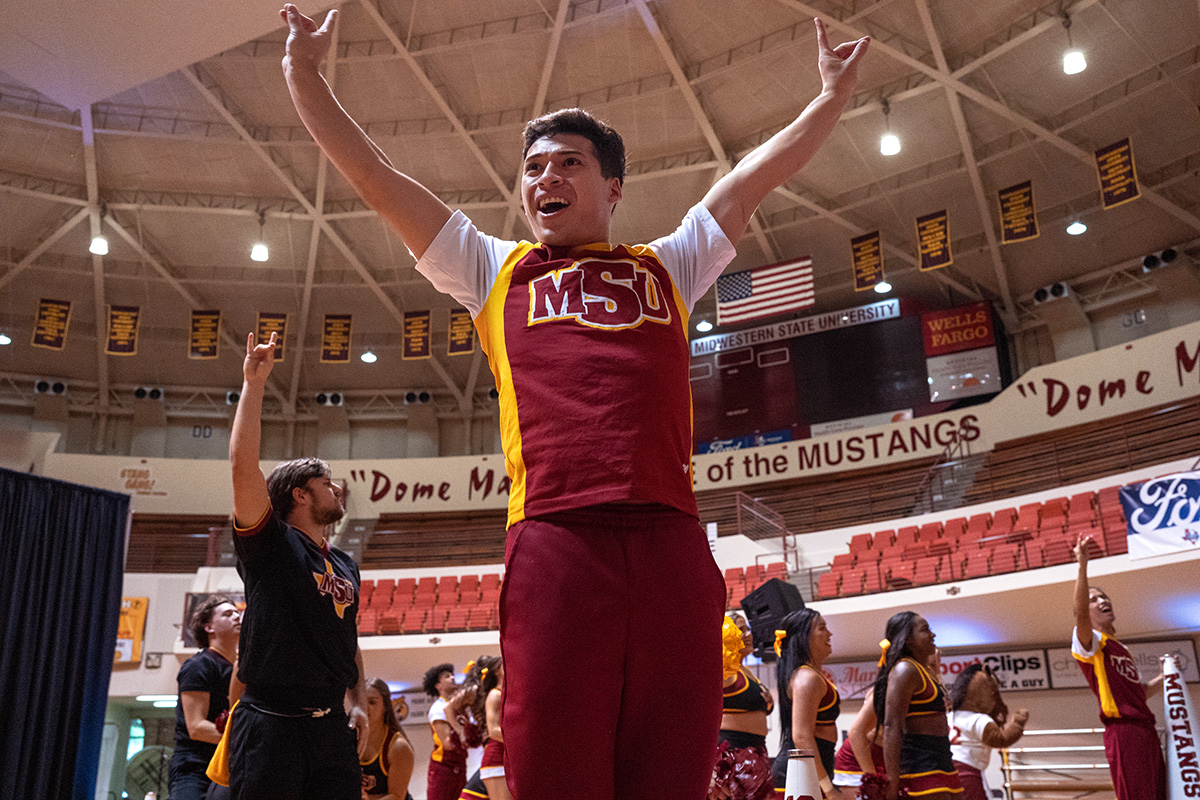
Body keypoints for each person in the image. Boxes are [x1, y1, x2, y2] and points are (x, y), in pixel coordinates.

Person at [279, 5, 867, 796]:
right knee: (557, 774)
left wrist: (829, 97)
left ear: (613, 185)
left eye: (567, 164)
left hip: (671, 541)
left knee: (669, 774)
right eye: (532, 169)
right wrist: (305, 75)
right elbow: (375, 177)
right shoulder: (493, 267)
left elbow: (756, 176)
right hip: (556, 539)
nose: (543, 179)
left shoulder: (672, 262)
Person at [228, 330, 369, 800]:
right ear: (300, 493)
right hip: (270, 726)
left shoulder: (345, 563)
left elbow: (347, 636)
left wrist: (359, 700)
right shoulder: (271, 543)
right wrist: (254, 385)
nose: (337, 490)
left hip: (331, 728)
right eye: (326, 483)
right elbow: (243, 468)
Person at [1072, 534, 1166, 800]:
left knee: (1158, 794)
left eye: (1104, 597)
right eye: (1093, 599)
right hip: (1123, 731)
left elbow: (1139, 693)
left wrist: (1167, 676)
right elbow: (1079, 613)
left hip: (1146, 729)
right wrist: (1082, 565)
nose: (1102, 600)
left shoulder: (1121, 647)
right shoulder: (1089, 642)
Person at [874, 612, 960, 800]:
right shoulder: (905, 670)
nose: (932, 635)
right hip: (919, 767)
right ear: (907, 640)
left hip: (942, 761)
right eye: (925, 630)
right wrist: (893, 781)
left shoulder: (924, 670)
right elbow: (891, 726)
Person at [168, 596, 241, 800]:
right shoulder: (198, 666)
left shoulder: (243, 669)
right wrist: (245, 739)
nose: (237, 616)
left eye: (237, 612)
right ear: (209, 627)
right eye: (228, 614)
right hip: (194, 767)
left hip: (229, 764)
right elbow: (197, 727)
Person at [771, 609, 842, 799]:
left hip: (811, 769)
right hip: (799, 773)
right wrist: (828, 788)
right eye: (822, 628)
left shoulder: (810, 675)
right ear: (803, 637)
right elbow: (801, 736)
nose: (829, 634)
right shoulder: (807, 677)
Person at [711, 614, 775, 800]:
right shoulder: (723, 670)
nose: (748, 634)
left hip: (757, 751)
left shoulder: (744, 671)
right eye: (741, 630)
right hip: (734, 754)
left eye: (748, 629)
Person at [946, 664, 1027, 800]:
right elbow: (1000, 740)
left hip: (945, 770)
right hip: (969, 771)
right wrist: (1017, 724)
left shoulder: (948, 716)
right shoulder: (980, 719)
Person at [457, 656, 507, 800]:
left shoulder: (508, 694)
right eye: (503, 664)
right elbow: (494, 731)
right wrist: (463, 729)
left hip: (506, 756)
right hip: (496, 756)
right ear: (496, 672)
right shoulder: (494, 695)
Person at [361, 677, 415, 800]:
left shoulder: (398, 746)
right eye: (362, 703)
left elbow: (396, 796)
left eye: (372, 702)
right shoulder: (349, 740)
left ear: (385, 706)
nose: (366, 708)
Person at [424, 662, 469, 800]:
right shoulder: (438, 708)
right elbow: (448, 743)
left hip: (460, 764)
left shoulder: (459, 707)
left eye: (452, 674)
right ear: (438, 686)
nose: (453, 677)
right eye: (447, 676)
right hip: (443, 767)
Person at [831, 688, 885, 798]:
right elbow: (856, 732)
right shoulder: (884, 689)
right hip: (858, 763)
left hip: (888, 759)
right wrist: (873, 782)